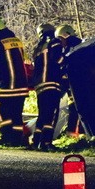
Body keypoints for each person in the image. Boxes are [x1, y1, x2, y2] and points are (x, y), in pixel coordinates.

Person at [0, 17, 30, 146]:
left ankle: (6, 135)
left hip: (7, 85)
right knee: (16, 113)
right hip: (22, 85)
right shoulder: (17, 41)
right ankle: (18, 139)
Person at [31, 23, 63, 151]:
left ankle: (36, 141)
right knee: (52, 114)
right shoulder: (54, 42)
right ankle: (47, 142)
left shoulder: (38, 48)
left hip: (40, 85)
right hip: (51, 82)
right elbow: (58, 59)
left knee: (43, 114)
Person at [55, 24, 83, 137]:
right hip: (73, 83)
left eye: (60, 39)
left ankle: (73, 134)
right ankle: (73, 133)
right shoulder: (74, 46)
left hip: (77, 83)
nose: (60, 42)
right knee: (73, 107)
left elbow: (67, 64)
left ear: (66, 36)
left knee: (75, 107)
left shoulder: (73, 48)